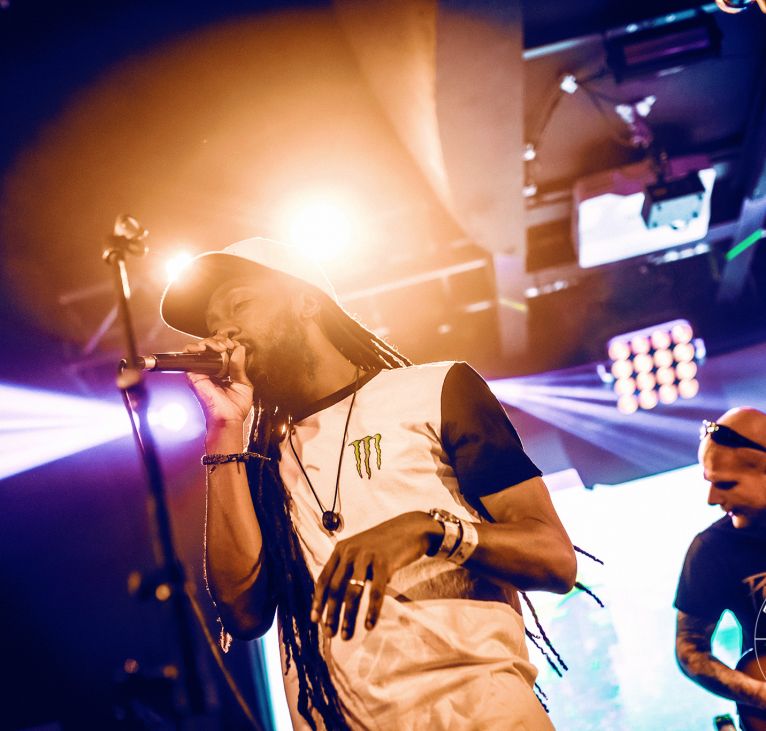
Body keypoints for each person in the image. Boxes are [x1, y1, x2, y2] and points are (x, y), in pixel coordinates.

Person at [160, 236, 577, 730]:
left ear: (307, 302)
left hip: (483, 715)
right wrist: (224, 427)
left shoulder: (436, 390)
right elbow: (244, 615)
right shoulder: (253, 462)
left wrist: (430, 531)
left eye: (240, 305)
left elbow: (555, 559)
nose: (224, 332)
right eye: (213, 326)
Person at [674, 407, 766, 714]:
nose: (712, 499)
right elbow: (690, 649)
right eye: (709, 482)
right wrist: (760, 694)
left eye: (725, 484)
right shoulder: (712, 549)